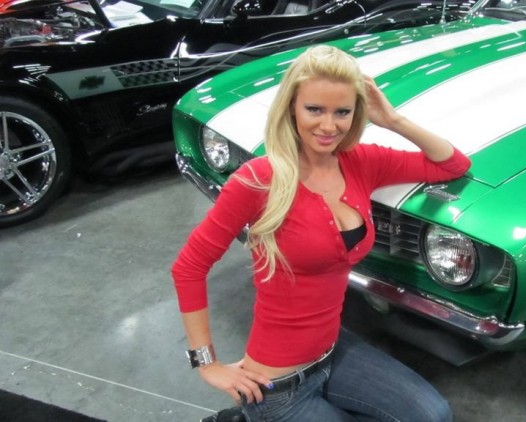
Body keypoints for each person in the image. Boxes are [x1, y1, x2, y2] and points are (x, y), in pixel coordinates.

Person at [172, 44, 471, 422]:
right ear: (291, 107)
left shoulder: (360, 162)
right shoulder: (259, 179)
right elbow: (188, 267)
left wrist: (393, 119)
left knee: (433, 415)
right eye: (314, 109)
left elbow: (452, 165)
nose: (329, 126)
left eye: (342, 112)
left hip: (333, 351)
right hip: (278, 388)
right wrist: (206, 363)